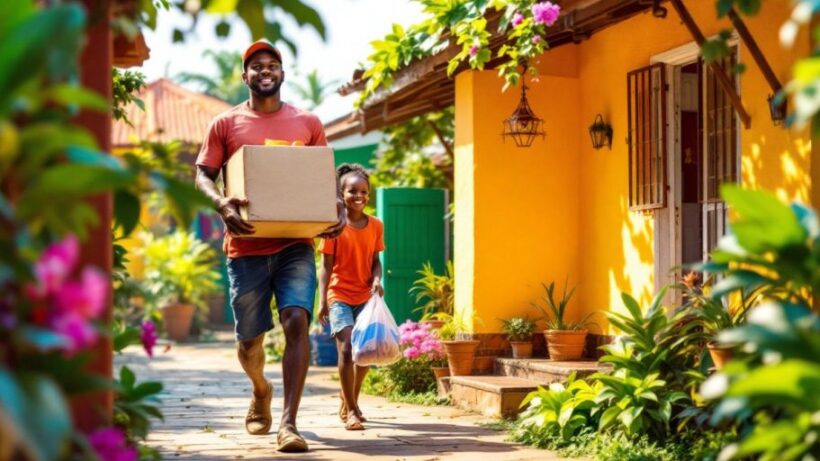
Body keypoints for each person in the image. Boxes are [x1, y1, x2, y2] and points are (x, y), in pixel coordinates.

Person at [194, 39, 345, 453]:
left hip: (296, 242)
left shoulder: (308, 122)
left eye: (273, 64)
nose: (265, 69)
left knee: (297, 320)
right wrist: (222, 203)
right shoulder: (225, 124)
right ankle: (260, 389)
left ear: (282, 73)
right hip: (246, 246)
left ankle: (289, 424)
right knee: (249, 341)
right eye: (257, 65)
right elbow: (203, 175)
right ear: (245, 76)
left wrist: (335, 212)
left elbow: (321, 181)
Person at [317, 163, 385, 431]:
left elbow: (376, 261)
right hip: (339, 294)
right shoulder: (334, 226)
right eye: (352, 191)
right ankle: (354, 410)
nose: (359, 196)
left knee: (365, 353)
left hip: (365, 295)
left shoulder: (376, 225)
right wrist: (322, 301)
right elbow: (325, 266)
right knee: (346, 347)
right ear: (341, 193)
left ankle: (349, 401)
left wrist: (378, 279)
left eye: (364, 192)